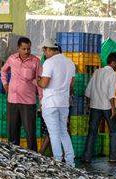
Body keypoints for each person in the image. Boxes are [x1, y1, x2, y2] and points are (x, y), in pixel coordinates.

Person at [37, 38, 77, 166]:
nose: (45, 54)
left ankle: (58, 161)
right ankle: (70, 161)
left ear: (48, 49)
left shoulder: (49, 63)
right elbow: (71, 86)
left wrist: (36, 81)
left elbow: (44, 83)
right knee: (63, 132)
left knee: (54, 133)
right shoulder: (70, 63)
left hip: (51, 103)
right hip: (64, 103)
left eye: (45, 51)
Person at [1, 37, 42, 150]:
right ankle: (13, 155)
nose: (26, 51)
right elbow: (3, 71)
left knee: (30, 131)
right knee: (13, 130)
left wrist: (42, 101)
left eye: (28, 49)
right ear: (18, 48)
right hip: (12, 100)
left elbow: (40, 82)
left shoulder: (36, 61)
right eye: (23, 49)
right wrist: (5, 83)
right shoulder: (12, 59)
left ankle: (33, 156)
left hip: (28, 102)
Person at [83, 53, 116, 163]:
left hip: (94, 106)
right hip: (107, 107)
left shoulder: (97, 72)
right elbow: (111, 94)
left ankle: (86, 157)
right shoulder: (113, 74)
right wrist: (113, 109)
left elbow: (88, 91)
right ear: (113, 62)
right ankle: (114, 157)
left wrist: (88, 106)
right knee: (114, 132)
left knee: (92, 132)